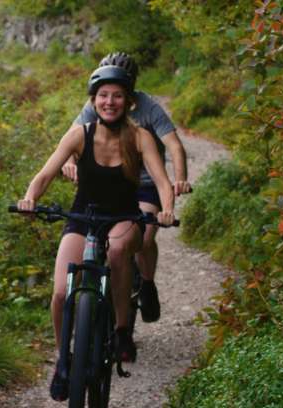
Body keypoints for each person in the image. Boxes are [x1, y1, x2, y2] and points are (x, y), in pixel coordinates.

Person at [17, 65, 175, 402]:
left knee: (118, 251)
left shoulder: (139, 137)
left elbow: (162, 182)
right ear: (94, 100)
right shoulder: (79, 135)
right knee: (61, 293)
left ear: (128, 102)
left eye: (117, 95)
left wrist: (167, 207)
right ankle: (64, 361)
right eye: (103, 95)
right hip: (82, 216)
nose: (110, 101)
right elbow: (46, 173)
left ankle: (120, 331)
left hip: (124, 216)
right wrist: (31, 197)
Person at [62, 52, 191, 323]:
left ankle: (146, 283)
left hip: (145, 184)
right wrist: (71, 163)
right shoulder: (99, 103)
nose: (110, 99)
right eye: (104, 89)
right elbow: (71, 139)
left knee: (143, 239)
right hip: (109, 185)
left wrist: (180, 178)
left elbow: (174, 145)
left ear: (130, 87)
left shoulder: (148, 107)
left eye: (119, 89)